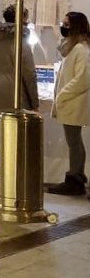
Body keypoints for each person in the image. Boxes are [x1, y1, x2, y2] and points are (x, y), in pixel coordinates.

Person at [47, 11, 90, 196]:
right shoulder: (74, 47)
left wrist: (62, 95)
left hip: (73, 101)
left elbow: (83, 78)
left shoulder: (81, 49)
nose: (63, 27)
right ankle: (76, 176)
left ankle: (75, 178)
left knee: (74, 142)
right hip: (70, 101)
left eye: (67, 24)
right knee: (74, 141)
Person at [0, 4, 39, 131]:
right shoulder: (20, 41)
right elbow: (29, 74)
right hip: (14, 97)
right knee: (13, 138)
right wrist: (35, 103)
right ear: (23, 19)